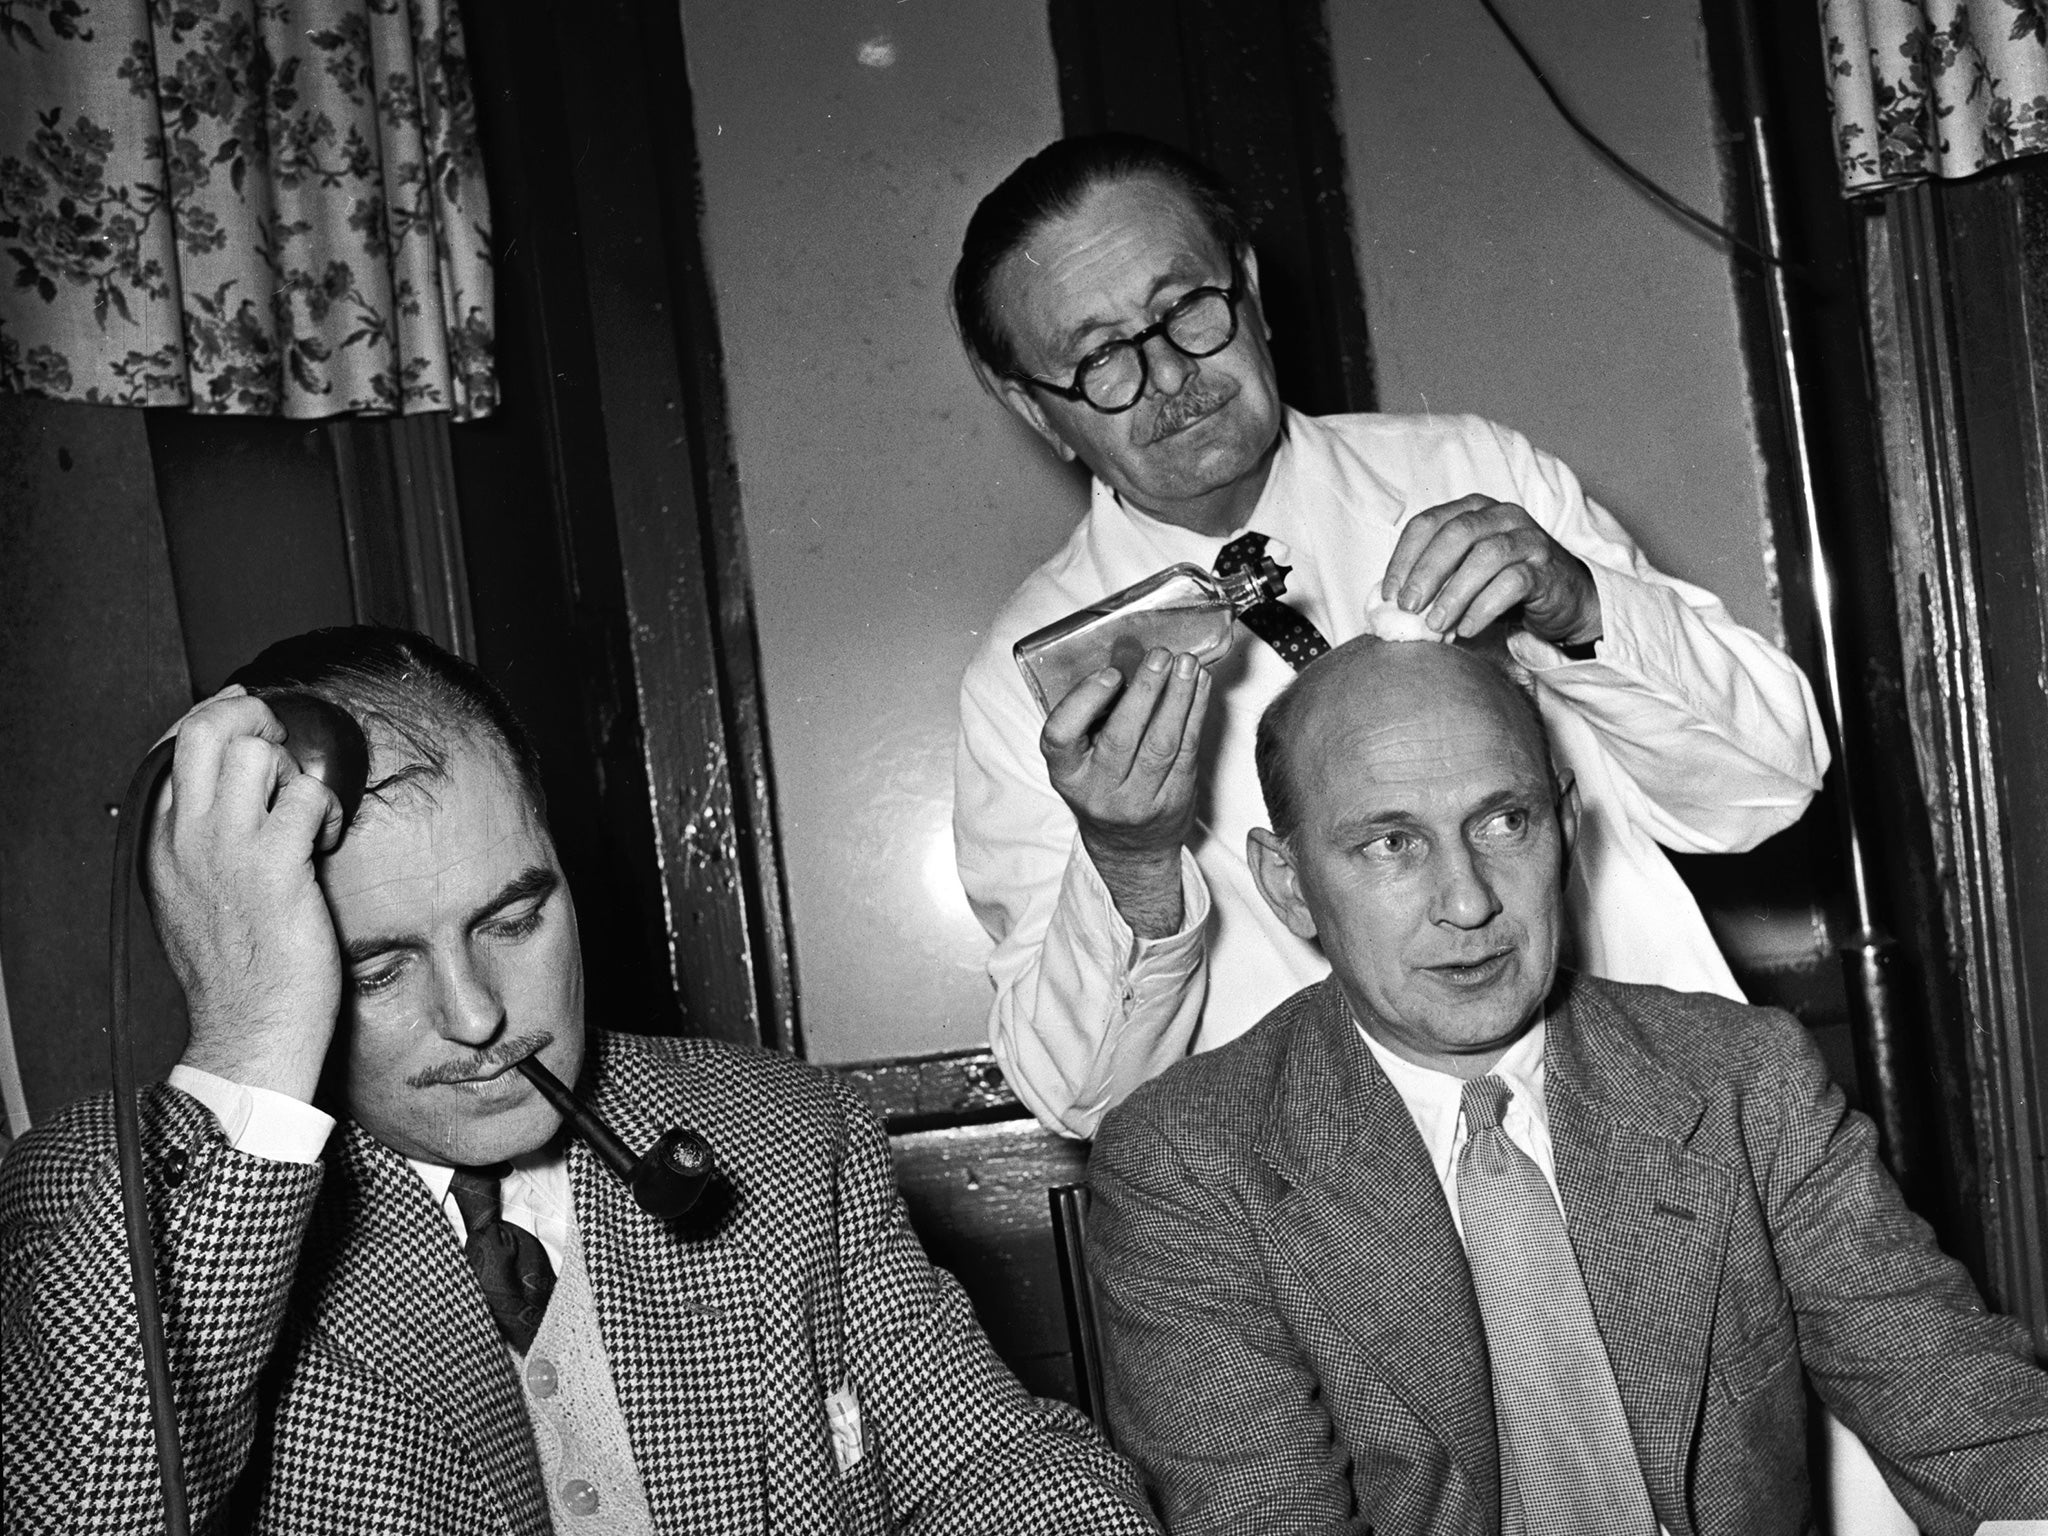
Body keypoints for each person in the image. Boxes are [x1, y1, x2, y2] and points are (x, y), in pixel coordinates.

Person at [0, 627, 1155, 1535]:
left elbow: (988, 1467)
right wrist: (253, 1040)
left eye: (512, 917)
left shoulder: (792, 1134)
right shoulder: (117, 1202)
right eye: (375, 967)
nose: (477, 1014)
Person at [951, 132, 1829, 1137]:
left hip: (1663, 1138)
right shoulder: (1023, 682)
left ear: (1247, 287)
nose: (1165, 377)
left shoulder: (1477, 475)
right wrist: (1128, 863)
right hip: (1345, 1225)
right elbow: (1076, 1097)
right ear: (1034, 407)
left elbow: (1764, 788)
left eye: (1187, 308)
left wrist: (1583, 610)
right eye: (1099, 356)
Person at [1086, 635, 2048, 1536]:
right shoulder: (1188, 1166)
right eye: (1390, 843)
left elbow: (1966, 1413)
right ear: (1289, 884)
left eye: (1506, 822)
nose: (1469, 901)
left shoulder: (1742, 1078)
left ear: (1567, 826)